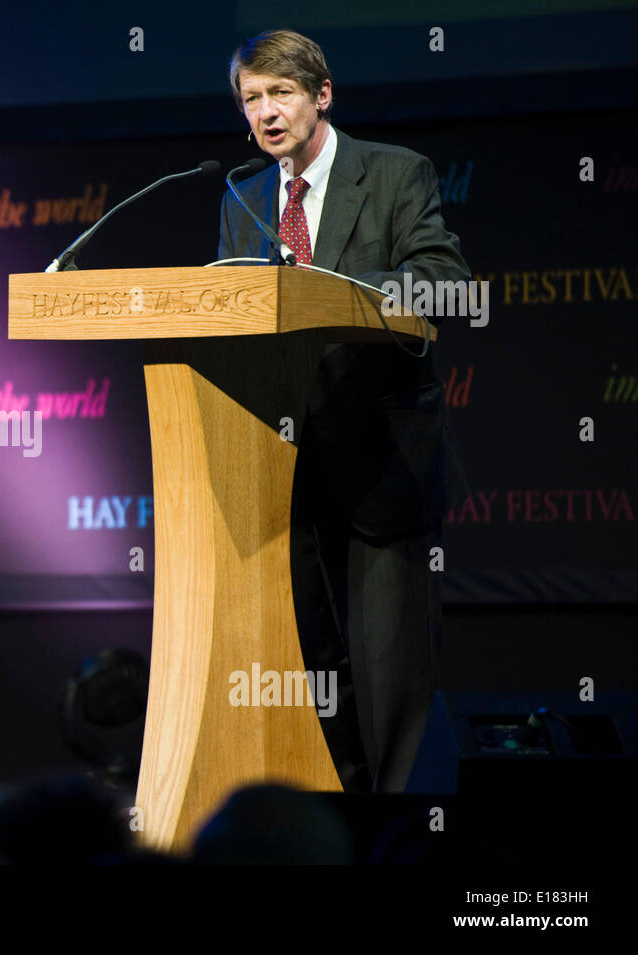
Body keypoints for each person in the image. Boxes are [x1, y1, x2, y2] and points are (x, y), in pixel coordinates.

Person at [217, 30, 470, 792]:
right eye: (251, 99)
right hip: (287, 472)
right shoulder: (243, 197)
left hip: (384, 462)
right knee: (311, 666)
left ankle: (402, 831)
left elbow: (442, 277)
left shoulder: (394, 174)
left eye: (280, 94)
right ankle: (336, 816)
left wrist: (332, 290)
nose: (265, 113)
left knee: (393, 677)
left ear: (321, 94)